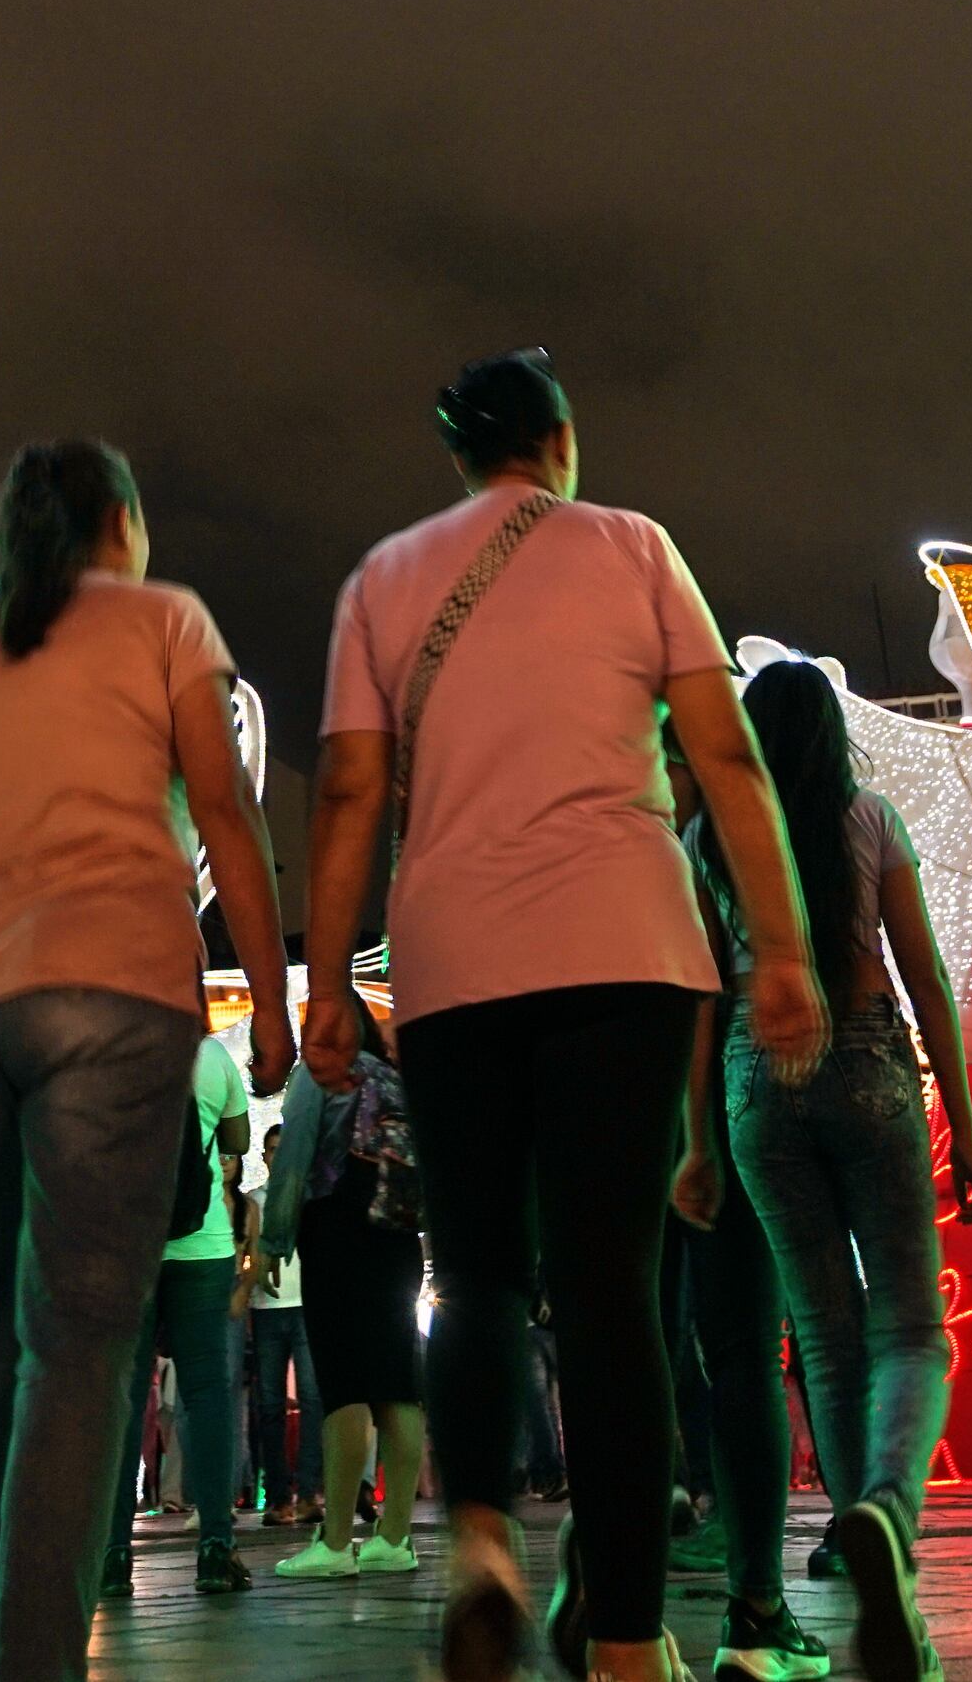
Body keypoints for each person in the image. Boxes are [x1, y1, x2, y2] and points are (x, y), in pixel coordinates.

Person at [299, 350, 827, 1682]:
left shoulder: (384, 577)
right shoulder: (635, 545)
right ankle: (631, 1639)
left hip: (452, 956)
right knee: (608, 1291)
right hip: (624, 943)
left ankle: (482, 1542)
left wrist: (319, 979)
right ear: (561, 437)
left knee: (475, 1266)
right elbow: (724, 750)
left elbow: (350, 794)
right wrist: (780, 942)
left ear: (459, 454)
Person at [0, 438, 297, 1682]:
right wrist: (267, 999)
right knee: (82, 1338)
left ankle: (15, 1640)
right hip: (111, 987)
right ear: (118, 520)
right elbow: (226, 809)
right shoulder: (164, 620)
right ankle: (36, 1662)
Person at [710, 660, 972, 1682]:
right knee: (910, 1327)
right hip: (869, 1057)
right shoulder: (867, 816)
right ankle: (885, 1508)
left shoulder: (712, 836)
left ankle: (850, 1516)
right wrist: (962, 1122)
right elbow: (926, 978)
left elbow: (703, 989)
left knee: (823, 1342)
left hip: (753, 1073)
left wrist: (698, 1141)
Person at [666, 812, 825, 1682]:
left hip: (631, 1100)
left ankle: (615, 1604)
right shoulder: (737, 836)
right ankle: (760, 1601)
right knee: (752, 1351)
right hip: (733, 1096)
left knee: (645, 1346)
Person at [259, 994, 428, 1581]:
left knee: (344, 1386)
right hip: (398, 1239)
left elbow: (296, 1155)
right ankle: (395, 1537)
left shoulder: (321, 1075)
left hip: (336, 1233)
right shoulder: (395, 1078)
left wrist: (273, 1239)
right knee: (397, 1386)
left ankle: (335, 1544)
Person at [105, 1024, 258, 1592]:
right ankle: (216, 1545)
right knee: (208, 1393)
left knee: (123, 1396)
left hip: (126, 1246)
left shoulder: (107, 1044)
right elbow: (238, 1139)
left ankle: (113, 1554)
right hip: (203, 1244)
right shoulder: (210, 1054)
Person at [239, 1169, 312, 1528]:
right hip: (266, 1308)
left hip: (307, 1305)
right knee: (269, 1406)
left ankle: (310, 1491)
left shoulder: (310, 1195)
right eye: (272, 1150)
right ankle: (280, 1495)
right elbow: (250, 1251)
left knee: (313, 1401)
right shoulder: (255, 1200)